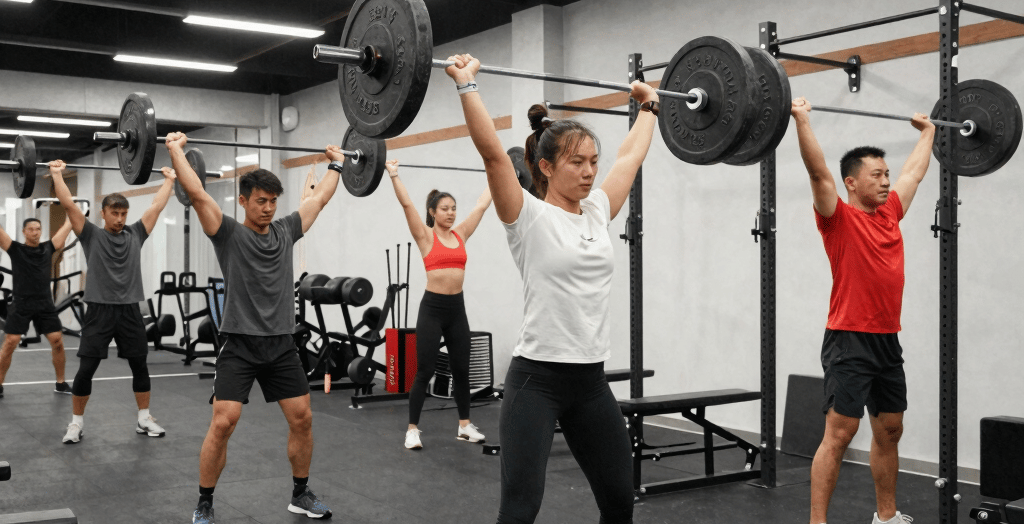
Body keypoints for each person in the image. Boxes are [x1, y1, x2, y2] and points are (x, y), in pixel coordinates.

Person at [445, 53, 658, 524]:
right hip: (536, 382)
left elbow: (630, 157)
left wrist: (649, 106)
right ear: (544, 166)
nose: (589, 171)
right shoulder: (527, 216)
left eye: (593, 162)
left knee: (619, 503)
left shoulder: (598, 210)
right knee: (520, 511)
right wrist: (466, 84)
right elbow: (493, 155)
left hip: (590, 383)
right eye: (576, 162)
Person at [166, 133, 343, 524]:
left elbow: (319, 201)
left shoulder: (285, 230)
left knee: (303, 418)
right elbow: (196, 194)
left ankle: (300, 494)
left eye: (273, 201)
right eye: (261, 201)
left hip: (281, 345)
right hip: (240, 345)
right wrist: (176, 151)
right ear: (243, 201)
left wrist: (337, 164)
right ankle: (205, 502)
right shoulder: (228, 233)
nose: (268, 208)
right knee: (223, 421)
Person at [791, 96, 934, 524]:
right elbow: (818, 172)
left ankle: (886, 517)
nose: (887, 181)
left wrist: (928, 132)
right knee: (840, 434)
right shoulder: (836, 218)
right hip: (849, 339)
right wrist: (801, 119)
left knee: (890, 429)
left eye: (886, 174)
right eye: (877, 175)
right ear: (852, 183)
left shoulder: (890, 214)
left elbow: (914, 173)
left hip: (887, 340)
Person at [51, 160, 176, 445]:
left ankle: (144, 418)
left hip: (130, 310)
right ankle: (76, 423)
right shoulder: (91, 234)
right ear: (103, 213)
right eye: (114, 213)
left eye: (123, 214)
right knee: (87, 368)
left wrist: (169, 179)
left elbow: (156, 206)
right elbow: (68, 204)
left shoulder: (136, 233)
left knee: (139, 365)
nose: (120, 219)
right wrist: (57, 174)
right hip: (99, 310)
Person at [384, 159, 492, 450]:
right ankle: (412, 430)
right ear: (432, 212)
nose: (451, 213)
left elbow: (482, 205)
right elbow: (407, 205)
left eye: (453, 208)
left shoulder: (461, 233)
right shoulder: (425, 236)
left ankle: (465, 426)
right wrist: (394, 174)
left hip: (457, 310)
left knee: (461, 369)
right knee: (425, 370)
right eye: (445, 208)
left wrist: (499, 171)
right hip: (432, 310)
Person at [0, 215, 74, 398]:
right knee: (10, 342)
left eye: (38, 229)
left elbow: (68, 225)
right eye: (31, 229)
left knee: (57, 341)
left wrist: (72, 211)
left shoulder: (48, 248)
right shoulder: (15, 249)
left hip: (44, 303)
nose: (35, 232)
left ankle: (61, 383)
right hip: (21, 303)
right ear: (24, 232)